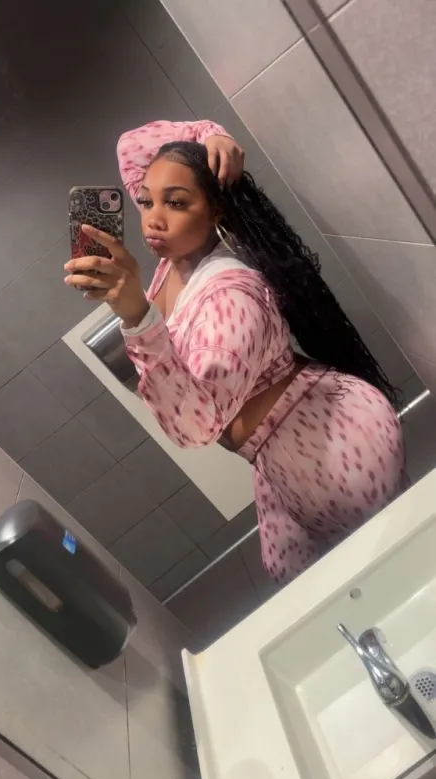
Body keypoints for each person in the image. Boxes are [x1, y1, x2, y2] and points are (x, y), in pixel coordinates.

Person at [64, 119, 407, 584]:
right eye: (146, 201)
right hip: (277, 454)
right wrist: (210, 135)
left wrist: (136, 316)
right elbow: (132, 146)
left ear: (216, 210)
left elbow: (196, 427)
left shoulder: (230, 290)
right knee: (297, 580)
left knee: (393, 576)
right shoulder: (175, 262)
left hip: (332, 446)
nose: (153, 218)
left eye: (176, 203)